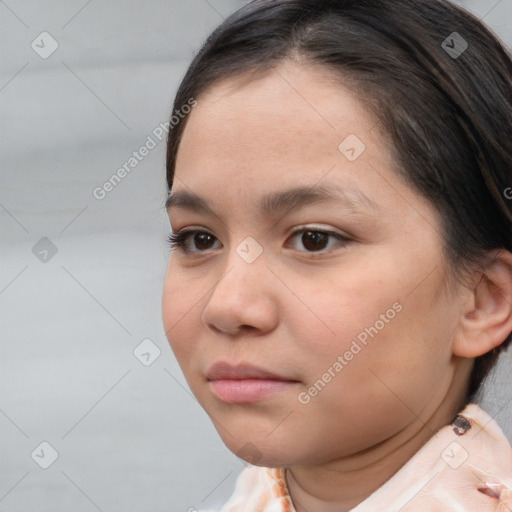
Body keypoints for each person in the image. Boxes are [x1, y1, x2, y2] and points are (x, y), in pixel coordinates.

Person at [161, 0, 512, 510]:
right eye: (198, 239)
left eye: (314, 239)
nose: (227, 306)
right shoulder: (262, 492)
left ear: (484, 299)